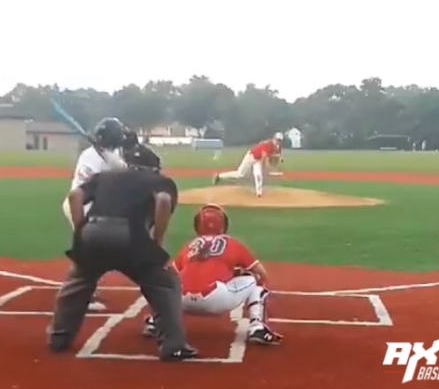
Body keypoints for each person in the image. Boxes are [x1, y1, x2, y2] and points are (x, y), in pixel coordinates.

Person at [47, 144, 198, 361]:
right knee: (165, 284)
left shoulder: (105, 176)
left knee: (77, 283)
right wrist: (157, 243)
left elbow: (74, 195)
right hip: (131, 236)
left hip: (93, 233)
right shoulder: (160, 181)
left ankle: (58, 337)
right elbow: (163, 201)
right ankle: (173, 345)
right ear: (154, 167)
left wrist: (81, 231)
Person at [142, 204, 283, 345]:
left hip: (182, 301)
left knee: (166, 282)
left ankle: (156, 321)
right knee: (255, 279)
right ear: (223, 225)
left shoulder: (190, 245)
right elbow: (261, 273)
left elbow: (171, 273)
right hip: (216, 300)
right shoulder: (232, 243)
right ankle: (257, 327)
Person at [60, 117, 128, 311]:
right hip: (81, 208)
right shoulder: (90, 157)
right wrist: (113, 167)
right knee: (89, 251)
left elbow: (122, 170)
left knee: (96, 250)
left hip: (95, 210)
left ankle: (82, 288)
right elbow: (94, 185)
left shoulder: (111, 154)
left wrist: (115, 164)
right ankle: (82, 295)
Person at [213, 132, 284, 197]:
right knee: (240, 174)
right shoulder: (268, 145)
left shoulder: (278, 146)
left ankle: (259, 193)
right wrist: (269, 168)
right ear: (274, 138)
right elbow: (264, 159)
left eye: (279, 140)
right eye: (277, 140)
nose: (278, 142)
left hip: (258, 160)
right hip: (251, 157)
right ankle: (219, 176)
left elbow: (278, 155)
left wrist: (278, 160)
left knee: (258, 175)